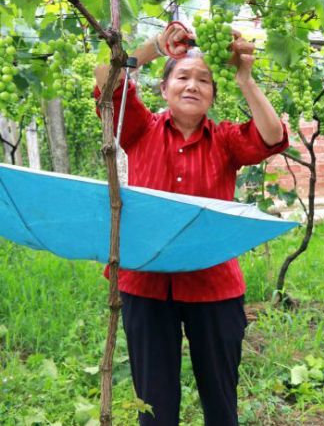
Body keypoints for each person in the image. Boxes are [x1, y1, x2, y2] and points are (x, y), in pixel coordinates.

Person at [92, 22, 288, 426]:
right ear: (164, 88)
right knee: (155, 407)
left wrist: (245, 78)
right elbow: (105, 77)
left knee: (220, 401)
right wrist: (154, 48)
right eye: (182, 76)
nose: (192, 86)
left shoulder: (226, 140)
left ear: (214, 95)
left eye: (204, 80)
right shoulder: (139, 129)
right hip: (145, 284)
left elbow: (271, 136)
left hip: (213, 285)